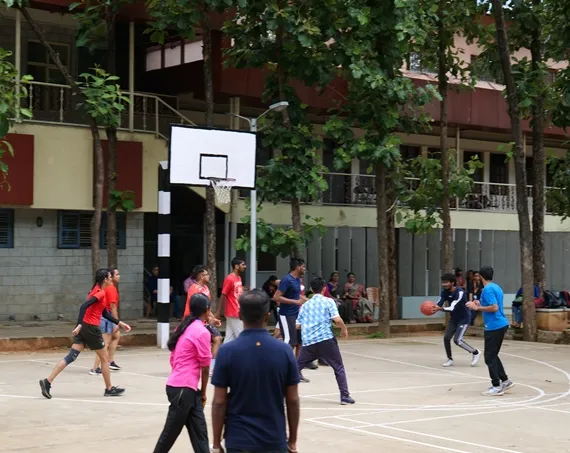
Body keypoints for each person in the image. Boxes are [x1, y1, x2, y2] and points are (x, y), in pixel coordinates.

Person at [211, 289, 300, 453]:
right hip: (273, 439)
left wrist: (216, 444)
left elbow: (219, 401)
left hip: (239, 440)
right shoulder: (285, 351)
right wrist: (292, 441)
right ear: (267, 316)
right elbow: (292, 400)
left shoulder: (226, 351)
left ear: (239, 315)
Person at [39, 269, 132, 399]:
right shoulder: (100, 293)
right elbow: (83, 306)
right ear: (105, 279)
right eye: (110, 277)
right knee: (104, 358)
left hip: (85, 327)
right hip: (91, 328)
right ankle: (109, 389)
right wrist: (79, 325)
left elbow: (104, 313)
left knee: (71, 356)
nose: (112, 279)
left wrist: (120, 323)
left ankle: (47, 382)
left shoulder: (96, 290)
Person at [153, 294, 212, 453]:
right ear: (207, 310)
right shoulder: (202, 332)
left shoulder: (183, 327)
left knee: (200, 433)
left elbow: (173, 358)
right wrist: (203, 392)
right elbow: (205, 366)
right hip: (183, 389)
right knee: (169, 435)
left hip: (184, 388)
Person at [296, 277, 355, 404]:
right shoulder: (328, 302)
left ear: (311, 289)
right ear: (324, 289)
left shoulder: (305, 306)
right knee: (338, 367)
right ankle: (344, 396)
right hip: (325, 339)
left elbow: (297, 325)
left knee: (295, 368)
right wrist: (344, 329)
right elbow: (337, 319)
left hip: (309, 342)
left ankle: (279, 393)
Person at [466, 265, 514, 396]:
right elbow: (491, 304)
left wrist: (477, 308)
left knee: (489, 357)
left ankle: (496, 386)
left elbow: (494, 307)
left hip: (494, 326)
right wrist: (479, 304)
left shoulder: (487, 290)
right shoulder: (496, 287)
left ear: (480, 277)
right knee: (493, 355)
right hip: (500, 324)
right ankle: (505, 381)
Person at [433, 273, 480, 368]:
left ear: (452, 283)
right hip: (454, 318)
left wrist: (440, 309)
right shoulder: (444, 292)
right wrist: (433, 307)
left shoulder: (460, 292)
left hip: (464, 318)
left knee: (457, 340)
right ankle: (449, 359)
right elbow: (439, 302)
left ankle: (475, 352)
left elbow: (452, 307)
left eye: (446, 282)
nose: (444, 284)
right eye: (443, 282)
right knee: (446, 338)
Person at [184, 265, 222, 376]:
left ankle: (210, 366)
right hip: (194, 320)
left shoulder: (206, 288)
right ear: (201, 276)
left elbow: (207, 307)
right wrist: (209, 318)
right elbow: (196, 307)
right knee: (212, 340)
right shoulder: (194, 288)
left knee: (217, 339)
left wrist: (213, 318)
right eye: (207, 274)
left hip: (204, 319)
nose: (209, 276)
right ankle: (205, 366)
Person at [90, 267, 122, 375]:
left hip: (105, 317)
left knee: (115, 336)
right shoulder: (110, 288)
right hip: (106, 317)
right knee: (104, 343)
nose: (119, 276)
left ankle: (110, 361)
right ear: (110, 277)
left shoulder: (104, 287)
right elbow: (112, 306)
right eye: (116, 274)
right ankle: (95, 368)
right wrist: (116, 322)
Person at [274, 258, 307, 360]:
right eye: (303, 266)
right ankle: (281, 364)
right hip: (286, 314)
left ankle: (297, 367)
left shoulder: (297, 280)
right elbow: (277, 297)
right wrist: (295, 302)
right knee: (289, 342)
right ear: (298, 267)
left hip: (296, 314)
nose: (304, 269)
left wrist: (308, 300)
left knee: (299, 342)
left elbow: (295, 294)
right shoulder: (287, 279)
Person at [215, 258, 246, 343]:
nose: (245, 266)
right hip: (233, 312)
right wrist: (218, 312)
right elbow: (223, 295)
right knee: (242, 337)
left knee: (229, 338)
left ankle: (224, 351)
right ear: (236, 266)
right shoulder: (229, 278)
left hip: (236, 311)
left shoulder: (239, 278)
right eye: (243, 264)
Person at [262, 275, 281, 339]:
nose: (275, 282)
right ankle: (264, 327)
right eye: (274, 281)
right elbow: (264, 295)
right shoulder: (265, 286)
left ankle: (277, 328)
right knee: (267, 314)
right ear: (271, 281)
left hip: (274, 302)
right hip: (268, 301)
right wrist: (271, 298)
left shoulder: (276, 286)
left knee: (277, 314)